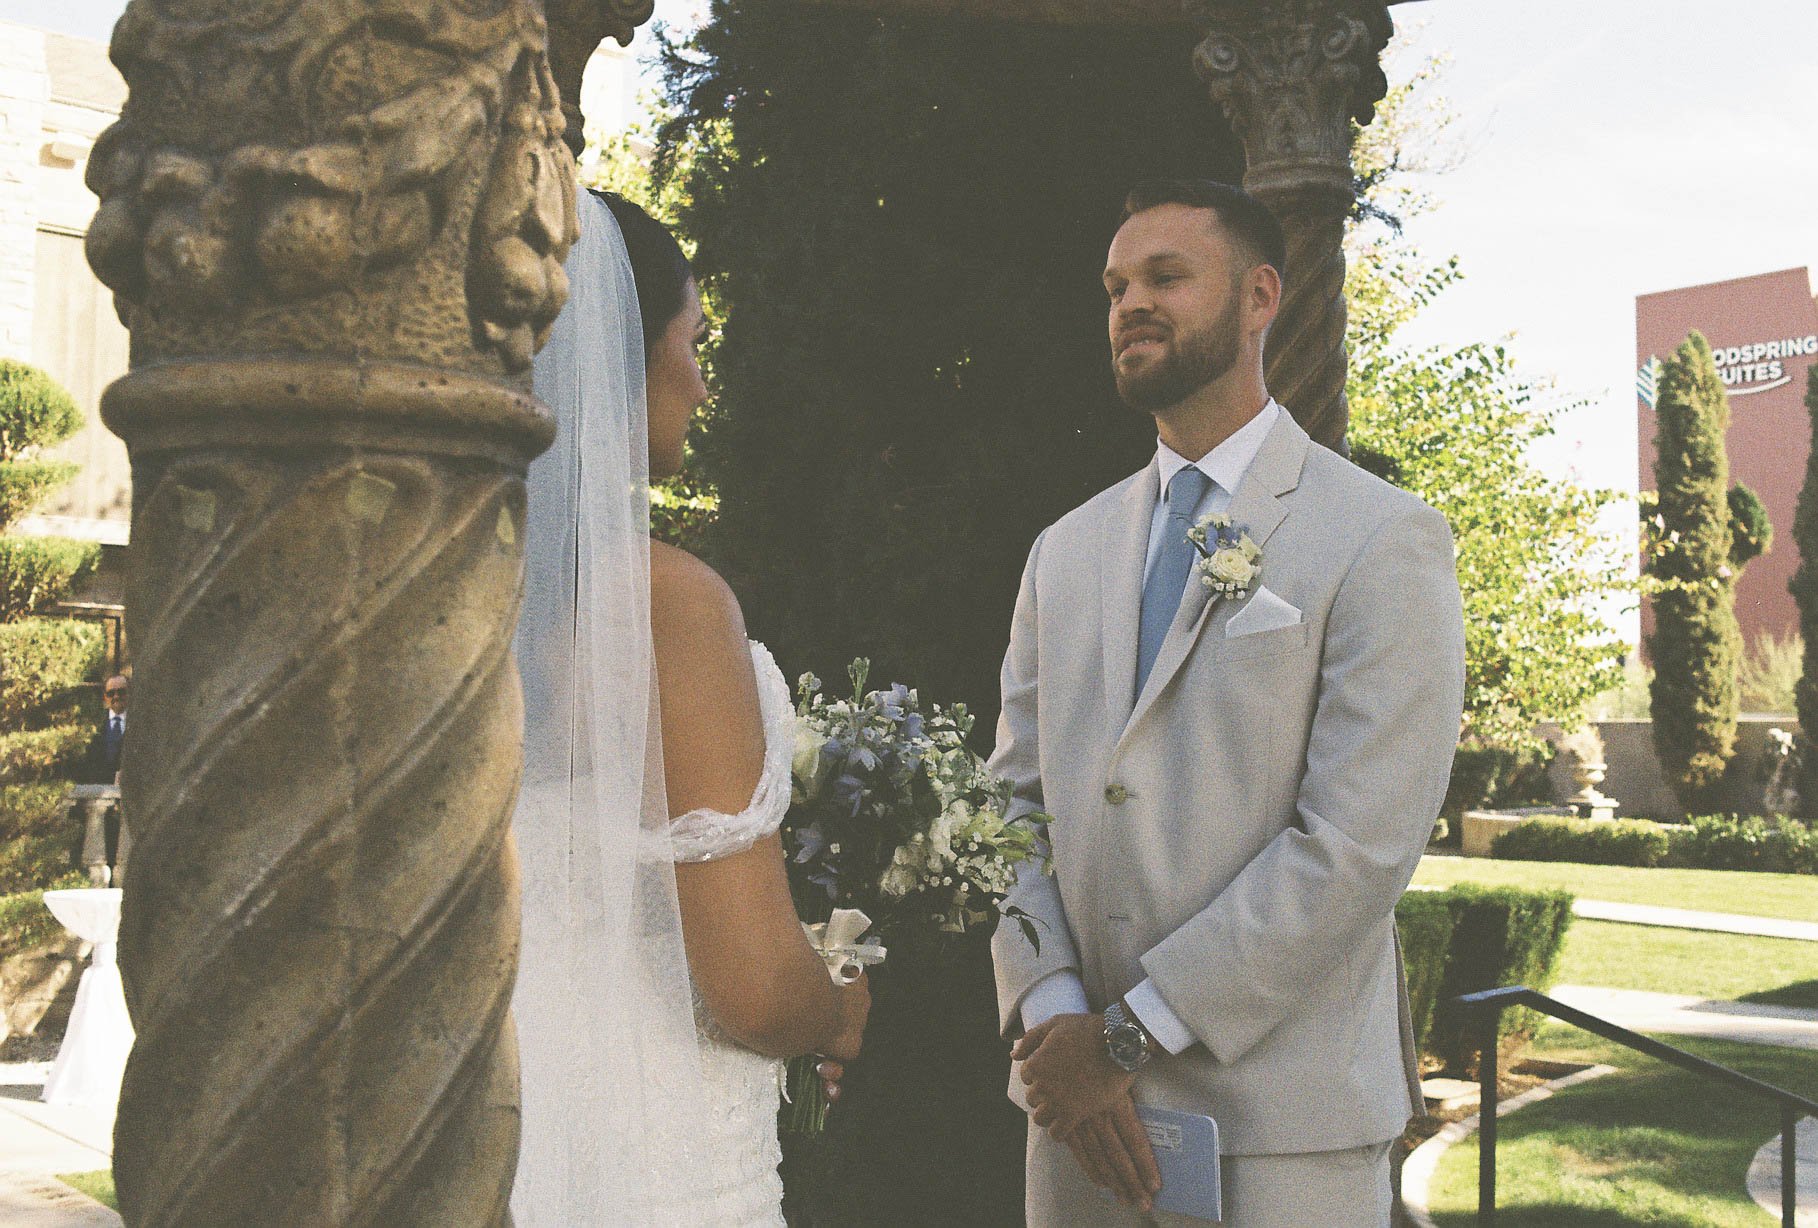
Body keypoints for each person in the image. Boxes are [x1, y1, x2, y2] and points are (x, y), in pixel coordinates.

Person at [989, 180, 1465, 1227]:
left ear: (1260, 298)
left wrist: (1129, 1032)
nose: (1130, 304)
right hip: (1075, 1117)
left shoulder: (1380, 537)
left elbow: (1356, 844)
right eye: (1115, 286)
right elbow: (1007, 809)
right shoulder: (1061, 553)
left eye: (1166, 276)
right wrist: (1057, 1011)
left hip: (1279, 1129)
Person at [511, 189, 868, 1226]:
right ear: (621, 351)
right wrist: (839, 1006)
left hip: (483, 1122)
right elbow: (753, 988)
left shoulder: (433, 588)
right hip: (650, 1152)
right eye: (693, 342)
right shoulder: (661, 601)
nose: (703, 383)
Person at [78, 674, 129, 785]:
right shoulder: (94, 723)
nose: (116, 697)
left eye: (121, 692)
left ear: (130, 693)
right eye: (111, 693)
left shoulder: (140, 722)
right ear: (105, 697)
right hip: (98, 792)